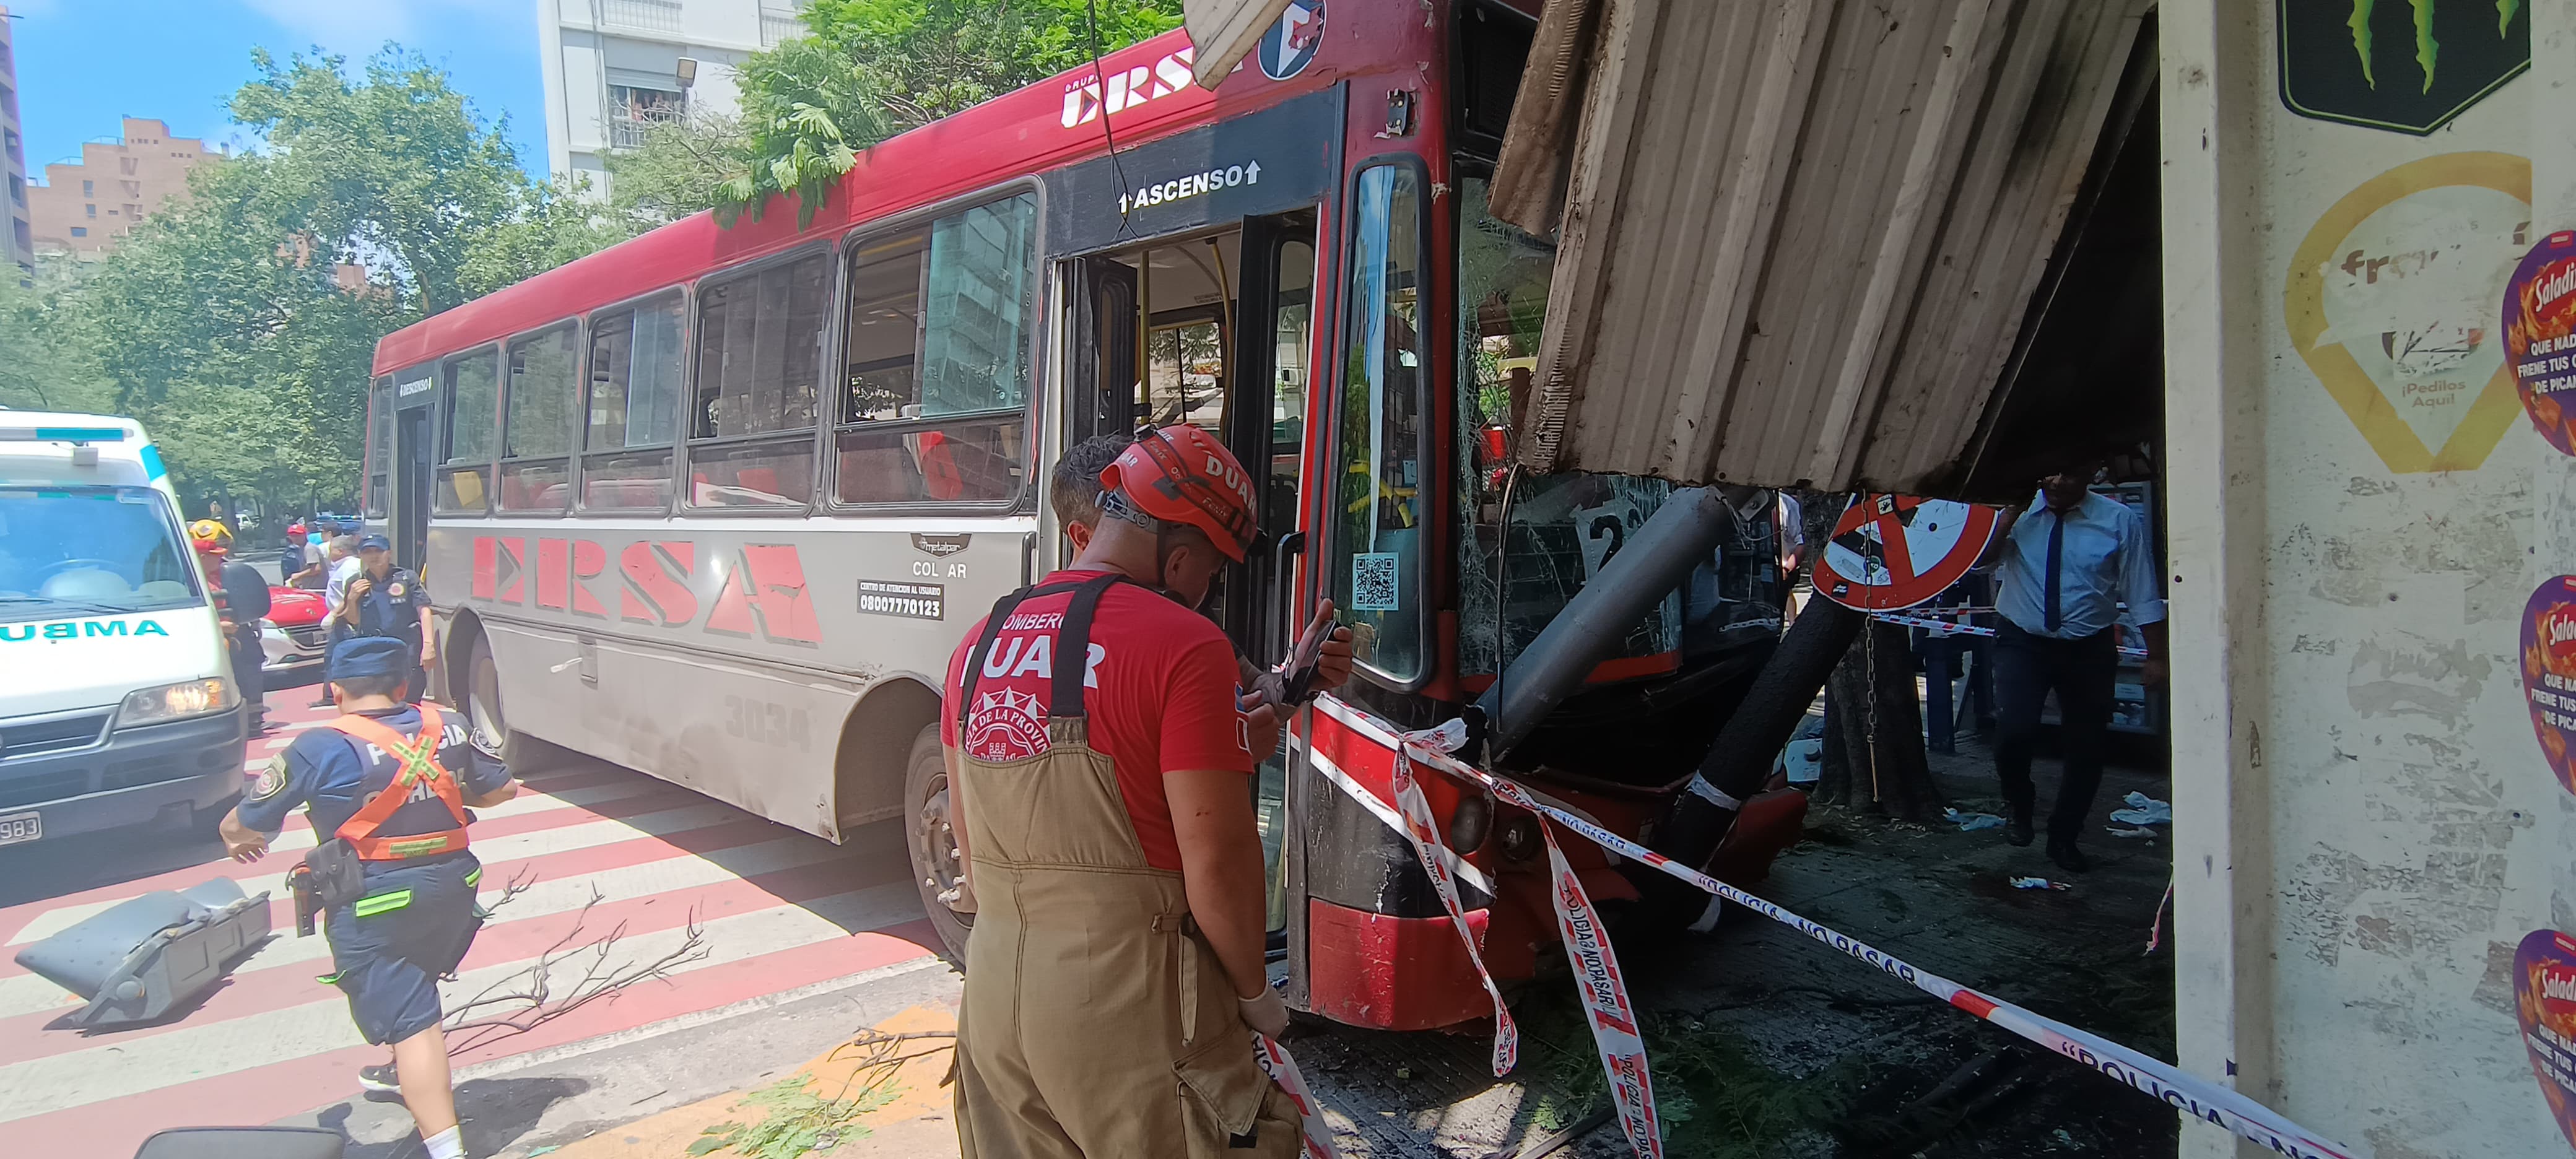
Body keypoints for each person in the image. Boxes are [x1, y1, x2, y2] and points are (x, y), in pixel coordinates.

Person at [944, 425, 1305, 1157]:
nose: (1207, 589)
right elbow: (1219, 869)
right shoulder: (1183, 644)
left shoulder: (976, 645)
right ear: (1178, 558)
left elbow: (972, 854)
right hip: (1128, 1013)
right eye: (1212, 570)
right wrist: (1254, 998)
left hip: (992, 1005)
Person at [217, 636, 518, 1159]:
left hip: (376, 899)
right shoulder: (447, 724)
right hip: (453, 889)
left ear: (335, 690)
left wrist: (241, 839)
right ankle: (402, 1072)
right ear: (403, 685)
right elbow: (499, 791)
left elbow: (243, 824)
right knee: (415, 982)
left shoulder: (319, 745)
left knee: (413, 1022)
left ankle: (447, 1150)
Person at [1049, 432, 1354, 760]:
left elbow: (1254, 691)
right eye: (1121, 511)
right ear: (1084, 535)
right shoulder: (1064, 639)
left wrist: (1296, 680)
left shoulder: (1182, 628)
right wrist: (1221, 753)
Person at [1986, 458, 2167, 872]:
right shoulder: (2020, 512)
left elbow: (2142, 590)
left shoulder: (2117, 520)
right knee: (2013, 731)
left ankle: (2065, 837)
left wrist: (2157, 656)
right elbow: (1982, 563)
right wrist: (2009, 514)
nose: (2055, 481)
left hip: (2089, 646)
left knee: (2086, 747)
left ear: (2091, 476)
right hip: (2023, 639)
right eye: (2048, 472)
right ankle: (2018, 801)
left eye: (2069, 473)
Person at [191, 521, 273, 736]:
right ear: (202, 557)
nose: (222, 554)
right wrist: (216, 628)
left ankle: (253, 719)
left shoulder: (229, 571)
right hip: (207, 639)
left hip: (238, 633)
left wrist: (252, 620)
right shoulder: (183, 578)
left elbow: (245, 595)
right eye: (217, 549)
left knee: (251, 667)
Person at [337, 536, 438, 703]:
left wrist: (429, 646)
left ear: (389, 553)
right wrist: (352, 599)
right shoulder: (356, 583)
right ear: (360, 556)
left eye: (378, 551)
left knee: (410, 700)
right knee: (380, 703)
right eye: (367, 552)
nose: (373, 555)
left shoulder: (406, 578)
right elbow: (353, 621)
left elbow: (424, 611)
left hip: (407, 649)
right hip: (375, 652)